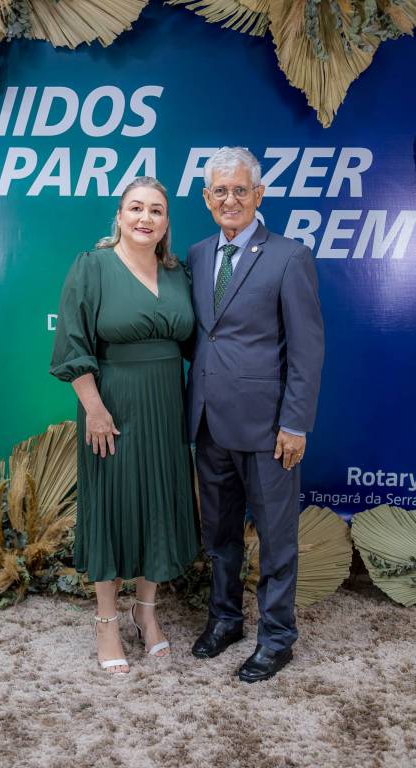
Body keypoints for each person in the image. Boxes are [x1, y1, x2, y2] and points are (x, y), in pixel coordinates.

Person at [50, 177, 199, 674]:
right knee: (112, 507)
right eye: (136, 208)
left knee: (158, 503)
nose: (145, 218)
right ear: (119, 215)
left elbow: (195, 344)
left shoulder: (177, 274)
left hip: (166, 405)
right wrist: (94, 408)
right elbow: (72, 344)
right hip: (111, 405)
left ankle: (146, 612)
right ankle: (107, 620)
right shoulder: (92, 267)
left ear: (166, 222)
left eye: (156, 210)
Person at [186, 147, 324, 683]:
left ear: (258, 194)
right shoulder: (198, 254)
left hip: (268, 430)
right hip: (208, 423)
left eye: (240, 190)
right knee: (219, 535)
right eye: (220, 191)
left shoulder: (289, 256)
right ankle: (225, 620)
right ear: (207, 198)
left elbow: (307, 349)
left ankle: (277, 637)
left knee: (276, 538)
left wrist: (295, 424)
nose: (230, 200)